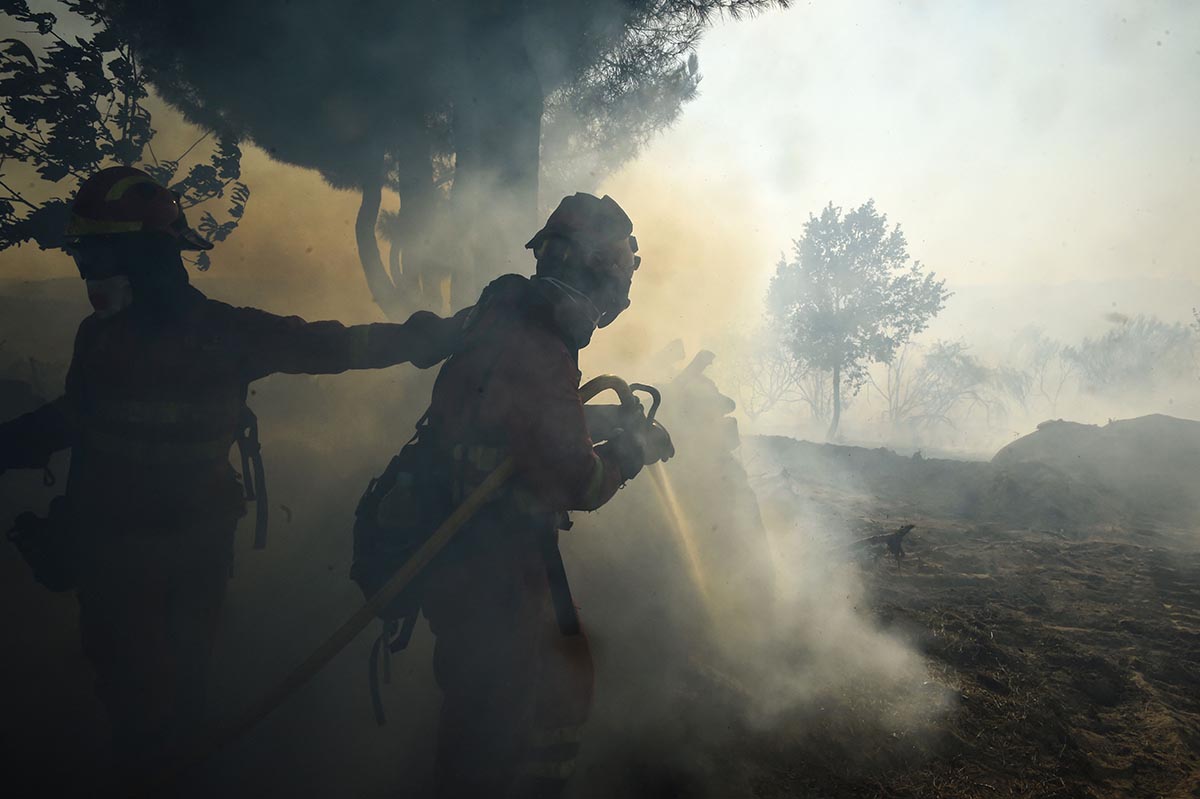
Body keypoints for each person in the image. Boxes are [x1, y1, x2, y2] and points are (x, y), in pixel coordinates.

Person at [0, 166, 463, 778]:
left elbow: (331, 347)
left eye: (100, 255)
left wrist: (429, 337)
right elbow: (80, 422)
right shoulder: (101, 336)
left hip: (185, 556)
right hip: (109, 552)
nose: (91, 274)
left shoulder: (220, 334)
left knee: (171, 702)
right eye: (85, 257)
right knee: (120, 690)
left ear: (146, 256)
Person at [405, 192, 673, 798]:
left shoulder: (505, 322)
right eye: (619, 272)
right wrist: (634, 453)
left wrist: (598, 426)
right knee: (500, 727)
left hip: (473, 556)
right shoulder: (541, 345)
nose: (620, 292)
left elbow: (517, 429)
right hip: (496, 569)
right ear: (594, 268)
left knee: (520, 705)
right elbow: (577, 482)